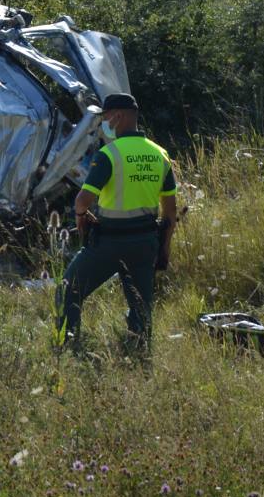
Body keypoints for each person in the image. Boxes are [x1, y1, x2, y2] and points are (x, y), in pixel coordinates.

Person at [53, 93, 178, 358]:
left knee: (68, 289)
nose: (104, 123)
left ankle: (66, 347)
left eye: (105, 117)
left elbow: (81, 201)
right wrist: (163, 249)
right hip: (146, 243)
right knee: (141, 305)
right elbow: (170, 211)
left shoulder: (109, 154)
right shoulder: (160, 154)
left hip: (109, 242)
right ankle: (139, 352)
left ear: (118, 116)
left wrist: (81, 219)